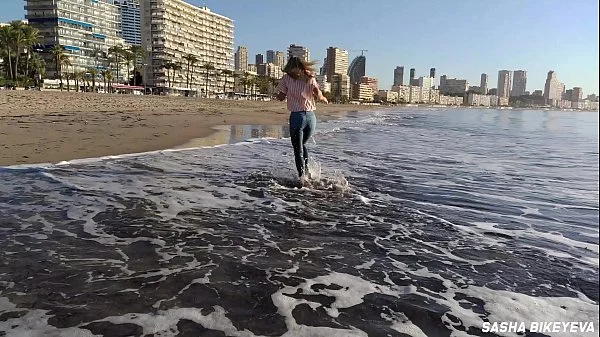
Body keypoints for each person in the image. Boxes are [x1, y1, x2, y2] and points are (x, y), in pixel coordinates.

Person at [276, 56, 328, 180]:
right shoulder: (309, 78)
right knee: (302, 144)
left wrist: (277, 95)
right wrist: (323, 98)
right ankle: (308, 172)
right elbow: (318, 93)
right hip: (311, 118)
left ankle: (302, 178)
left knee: (297, 149)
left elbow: (281, 97)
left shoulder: (286, 78)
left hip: (297, 117)